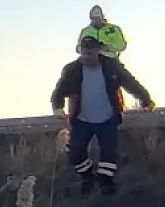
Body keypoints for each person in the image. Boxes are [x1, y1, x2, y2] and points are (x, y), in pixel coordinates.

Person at [50, 34, 154, 194]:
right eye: (83, 53)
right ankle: (87, 177)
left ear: (98, 51)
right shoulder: (72, 69)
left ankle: (106, 185)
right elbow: (60, 90)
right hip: (82, 119)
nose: (86, 57)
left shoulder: (112, 66)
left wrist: (145, 100)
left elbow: (130, 83)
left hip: (108, 118)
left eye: (90, 53)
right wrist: (58, 107)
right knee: (75, 153)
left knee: (109, 153)